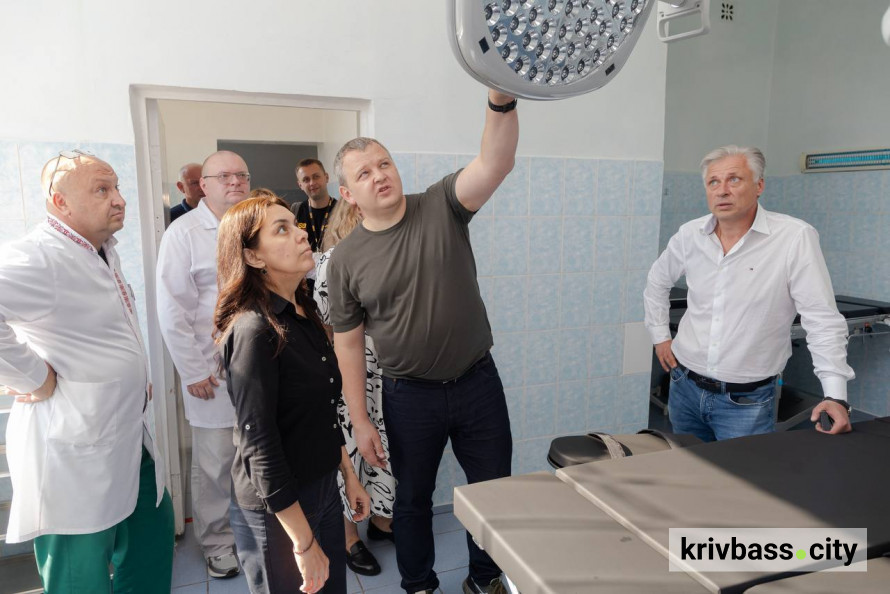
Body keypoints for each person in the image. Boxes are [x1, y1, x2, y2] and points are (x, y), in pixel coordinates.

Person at [326, 88, 519, 594]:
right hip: (409, 395)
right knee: (411, 500)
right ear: (348, 194)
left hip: (478, 382)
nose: (379, 175)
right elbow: (348, 345)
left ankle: (485, 579)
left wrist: (500, 101)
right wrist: (361, 420)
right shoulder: (345, 260)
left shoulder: (441, 205)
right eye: (363, 173)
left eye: (384, 163)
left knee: (493, 493)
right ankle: (419, 584)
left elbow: (495, 163)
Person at [0, 150, 174, 592]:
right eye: (101, 190)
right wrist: (33, 377)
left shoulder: (101, 251)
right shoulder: (41, 255)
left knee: (152, 540)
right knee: (80, 577)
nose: (119, 199)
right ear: (60, 202)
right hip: (74, 448)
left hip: (126, 432)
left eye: (116, 187)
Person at [643, 145, 855, 443]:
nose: (722, 190)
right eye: (713, 182)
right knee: (689, 468)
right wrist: (660, 336)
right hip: (684, 387)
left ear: (759, 186)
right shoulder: (689, 235)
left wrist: (835, 395)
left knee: (742, 473)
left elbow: (821, 318)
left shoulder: (794, 238)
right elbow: (656, 281)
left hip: (745, 401)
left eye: (734, 179)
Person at [215, 194, 370, 594]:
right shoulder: (253, 330)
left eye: (296, 225)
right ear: (253, 256)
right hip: (278, 510)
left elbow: (323, 412)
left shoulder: (303, 313)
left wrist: (348, 476)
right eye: (281, 229)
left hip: (322, 488)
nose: (301, 235)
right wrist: (302, 542)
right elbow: (259, 444)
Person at [156, 150, 250, 578]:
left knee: (258, 454)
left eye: (241, 175)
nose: (234, 182)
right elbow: (171, 308)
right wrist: (192, 370)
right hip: (211, 370)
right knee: (214, 462)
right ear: (204, 185)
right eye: (223, 176)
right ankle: (216, 543)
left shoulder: (253, 223)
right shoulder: (183, 233)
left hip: (259, 364)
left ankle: (257, 531)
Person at [314, 199, 396, 577]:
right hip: (350, 371)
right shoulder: (332, 261)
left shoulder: (392, 254)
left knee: (386, 447)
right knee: (351, 451)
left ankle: (381, 521)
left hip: (390, 372)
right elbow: (326, 323)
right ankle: (349, 537)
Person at [291, 158, 337, 294]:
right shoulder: (295, 212)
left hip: (335, 285)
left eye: (316, 176)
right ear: (300, 184)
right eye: (306, 179)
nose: (312, 183)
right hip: (304, 290)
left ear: (326, 177)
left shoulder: (343, 211)